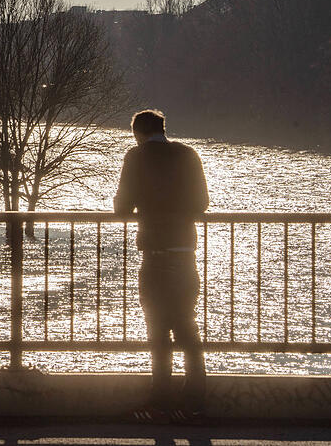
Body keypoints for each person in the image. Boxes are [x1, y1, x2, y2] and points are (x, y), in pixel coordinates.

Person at [114, 109, 209, 424]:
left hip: (155, 256)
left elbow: (121, 207)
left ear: (137, 134)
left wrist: (146, 205)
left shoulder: (136, 157)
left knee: (157, 331)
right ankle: (195, 404)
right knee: (187, 328)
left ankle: (160, 403)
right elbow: (202, 203)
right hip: (185, 254)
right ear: (163, 129)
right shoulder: (188, 154)